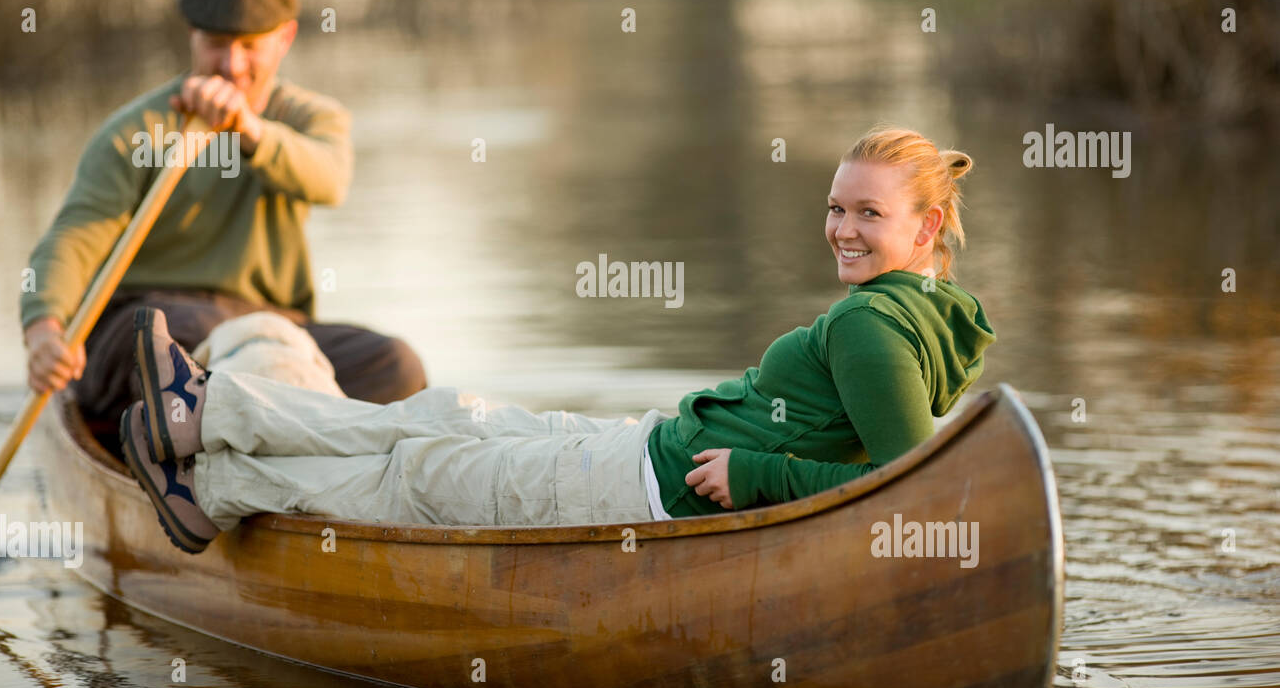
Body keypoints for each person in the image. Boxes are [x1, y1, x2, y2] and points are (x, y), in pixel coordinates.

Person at [117, 127, 997, 554]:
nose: (842, 229)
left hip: (639, 489)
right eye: (837, 207)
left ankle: (216, 480)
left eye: (869, 214)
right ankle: (206, 414)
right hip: (645, 450)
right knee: (445, 413)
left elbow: (905, 488)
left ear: (927, 228)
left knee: (423, 471)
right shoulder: (928, 312)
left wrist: (760, 474)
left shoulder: (869, 327)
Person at [19, 0, 428, 452]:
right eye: (216, 44)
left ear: (285, 39)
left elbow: (329, 179)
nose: (232, 66)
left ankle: (302, 460)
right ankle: (190, 468)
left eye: (250, 47)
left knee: (395, 365)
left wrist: (250, 132)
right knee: (192, 345)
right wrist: (44, 326)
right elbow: (73, 237)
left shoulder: (312, 119)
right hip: (146, 323)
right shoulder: (137, 130)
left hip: (272, 329)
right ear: (192, 37)